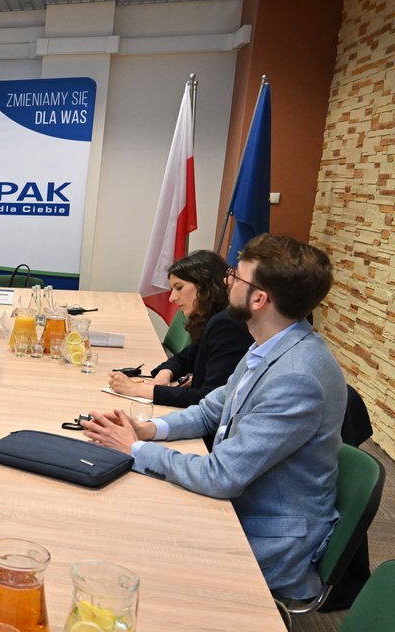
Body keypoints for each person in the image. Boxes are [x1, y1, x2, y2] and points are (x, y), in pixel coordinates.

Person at [82, 235, 347, 601]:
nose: (226, 282)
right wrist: (150, 428)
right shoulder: (270, 344)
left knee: (127, 553)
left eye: (236, 277)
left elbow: (222, 476)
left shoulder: (296, 376)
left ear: (258, 299)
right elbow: (212, 409)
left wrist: (136, 448)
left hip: (265, 539)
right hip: (239, 506)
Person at [108, 250, 252, 415]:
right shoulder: (214, 318)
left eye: (179, 288)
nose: (172, 298)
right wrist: (165, 373)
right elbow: (189, 356)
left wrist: (138, 390)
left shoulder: (228, 324)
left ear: (206, 285)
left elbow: (208, 399)